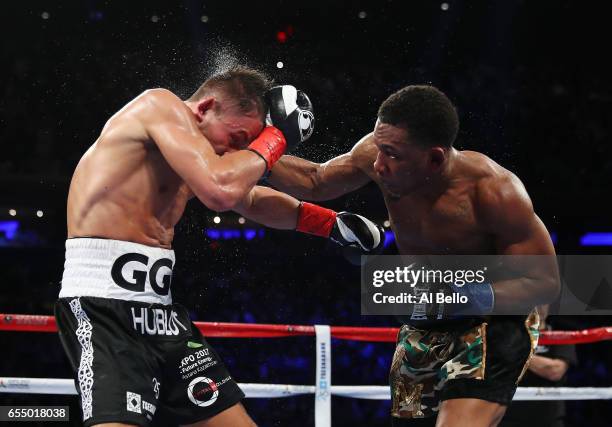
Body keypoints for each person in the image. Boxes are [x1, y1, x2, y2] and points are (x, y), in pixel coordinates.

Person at [55, 67, 384, 427]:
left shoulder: (196, 155)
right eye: (238, 137)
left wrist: (330, 224)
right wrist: (275, 139)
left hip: (161, 315)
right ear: (207, 106)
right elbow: (221, 191)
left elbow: (252, 198)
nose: (236, 152)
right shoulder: (159, 105)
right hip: (103, 307)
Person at [267, 85, 560, 426]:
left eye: (391, 154)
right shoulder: (376, 155)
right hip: (426, 321)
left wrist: (461, 297)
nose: (377, 164)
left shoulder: (493, 191)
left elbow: (545, 281)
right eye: (378, 148)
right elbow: (315, 181)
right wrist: (254, 151)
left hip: (495, 323)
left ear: (434, 158)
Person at [499, 306, 577, 427]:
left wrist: (518, 353)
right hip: (506, 417)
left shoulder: (562, 336)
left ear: (550, 306)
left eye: (542, 302)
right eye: (533, 302)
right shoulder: (505, 337)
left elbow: (555, 371)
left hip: (547, 418)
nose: (537, 307)